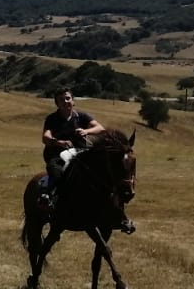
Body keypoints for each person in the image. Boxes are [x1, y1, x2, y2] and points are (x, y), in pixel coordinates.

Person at [41, 87, 133, 233]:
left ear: (73, 100)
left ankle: (116, 213)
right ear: (56, 103)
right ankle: (51, 197)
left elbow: (100, 128)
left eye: (67, 98)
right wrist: (59, 142)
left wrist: (86, 131)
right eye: (61, 100)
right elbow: (45, 137)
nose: (65, 102)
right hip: (57, 154)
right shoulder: (52, 119)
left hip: (80, 152)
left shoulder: (82, 116)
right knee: (56, 170)